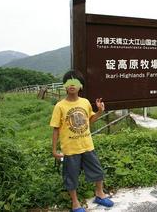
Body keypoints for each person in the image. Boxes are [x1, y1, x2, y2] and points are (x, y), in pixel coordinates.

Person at [50, 70, 114, 212]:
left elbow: (89, 120)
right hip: (70, 149)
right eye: (68, 82)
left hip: (87, 145)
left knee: (97, 170)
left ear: (81, 86)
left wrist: (99, 112)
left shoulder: (85, 102)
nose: (72, 85)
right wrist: (54, 150)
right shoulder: (60, 106)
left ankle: (100, 194)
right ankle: (75, 203)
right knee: (71, 176)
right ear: (65, 86)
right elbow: (55, 129)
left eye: (75, 82)